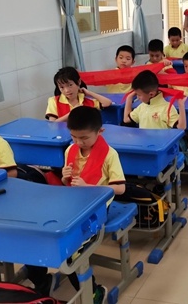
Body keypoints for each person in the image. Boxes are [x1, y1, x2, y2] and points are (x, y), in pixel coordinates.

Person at [28, 107, 125, 302]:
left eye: (84, 138)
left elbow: (120, 188)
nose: (79, 142)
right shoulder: (70, 150)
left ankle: (94, 291)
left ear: (100, 131)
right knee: (35, 237)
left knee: (71, 251)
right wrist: (65, 178)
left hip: (97, 206)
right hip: (73, 202)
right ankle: (41, 282)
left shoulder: (110, 154)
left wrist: (88, 186)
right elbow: (69, 184)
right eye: (74, 137)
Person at [45, 67, 112, 122]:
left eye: (70, 85)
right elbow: (52, 124)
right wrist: (72, 113)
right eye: (62, 87)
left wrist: (89, 93)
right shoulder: (53, 101)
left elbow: (107, 103)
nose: (67, 90)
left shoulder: (87, 102)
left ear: (79, 82)